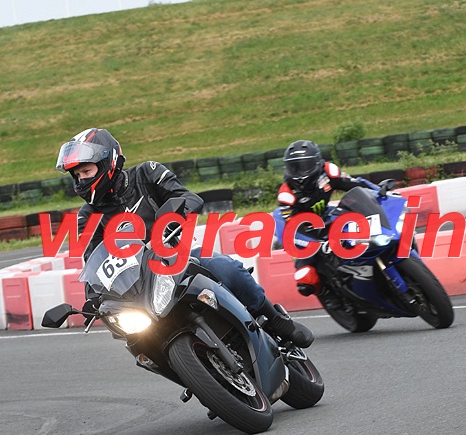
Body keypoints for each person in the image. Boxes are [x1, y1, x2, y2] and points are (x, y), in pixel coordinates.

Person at [55, 127, 313, 348]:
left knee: (226, 268)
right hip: (138, 285)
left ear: (107, 163)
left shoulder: (146, 174)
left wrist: (171, 221)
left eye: (86, 171)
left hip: (180, 257)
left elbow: (188, 198)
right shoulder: (87, 216)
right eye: (77, 175)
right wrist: (93, 297)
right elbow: (93, 261)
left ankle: (276, 320)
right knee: (134, 340)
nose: (81, 180)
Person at [277, 139, 378, 297]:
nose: (299, 172)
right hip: (300, 230)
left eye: (305, 165)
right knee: (305, 280)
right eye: (294, 167)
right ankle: (329, 297)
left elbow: (355, 184)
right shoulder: (286, 195)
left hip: (326, 215)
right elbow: (294, 228)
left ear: (317, 162)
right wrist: (318, 242)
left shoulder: (329, 172)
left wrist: (379, 192)